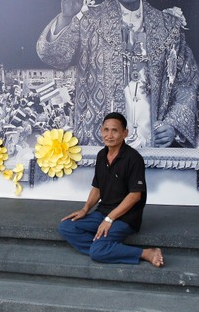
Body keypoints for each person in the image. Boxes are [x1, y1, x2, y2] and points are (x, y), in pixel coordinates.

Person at [36, 0, 199, 148]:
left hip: (154, 145)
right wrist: (66, 18)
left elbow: (187, 84)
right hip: (99, 144)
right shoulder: (88, 20)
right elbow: (54, 56)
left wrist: (173, 124)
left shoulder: (168, 27)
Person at [58, 112, 164, 267]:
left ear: (124, 133)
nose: (109, 135)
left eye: (114, 130)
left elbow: (135, 196)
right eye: (106, 130)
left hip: (125, 218)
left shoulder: (134, 159)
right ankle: (103, 247)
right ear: (101, 131)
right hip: (102, 212)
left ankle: (145, 253)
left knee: (97, 252)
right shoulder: (101, 155)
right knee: (66, 226)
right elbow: (97, 187)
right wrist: (85, 209)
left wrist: (109, 219)